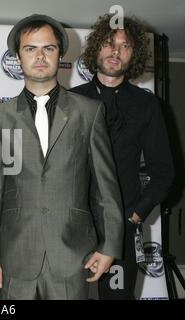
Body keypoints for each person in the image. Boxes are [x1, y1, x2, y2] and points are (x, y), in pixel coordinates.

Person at [0, 14, 124, 300]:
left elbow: (107, 187)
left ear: (60, 54)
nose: (40, 56)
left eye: (49, 48)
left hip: (73, 256)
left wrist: (110, 245)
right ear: (18, 58)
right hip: (14, 259)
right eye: (30, 49)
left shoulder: (89, 112)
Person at [70, 14, 174, 299]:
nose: (115, 52)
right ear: (96, 49)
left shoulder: (146, 105)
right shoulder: (69, 100)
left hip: (122, 230)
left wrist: (134, 217)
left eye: (124, 46)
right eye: (108, 43)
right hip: (71, 229)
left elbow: (164, 173)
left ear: (134, 54)